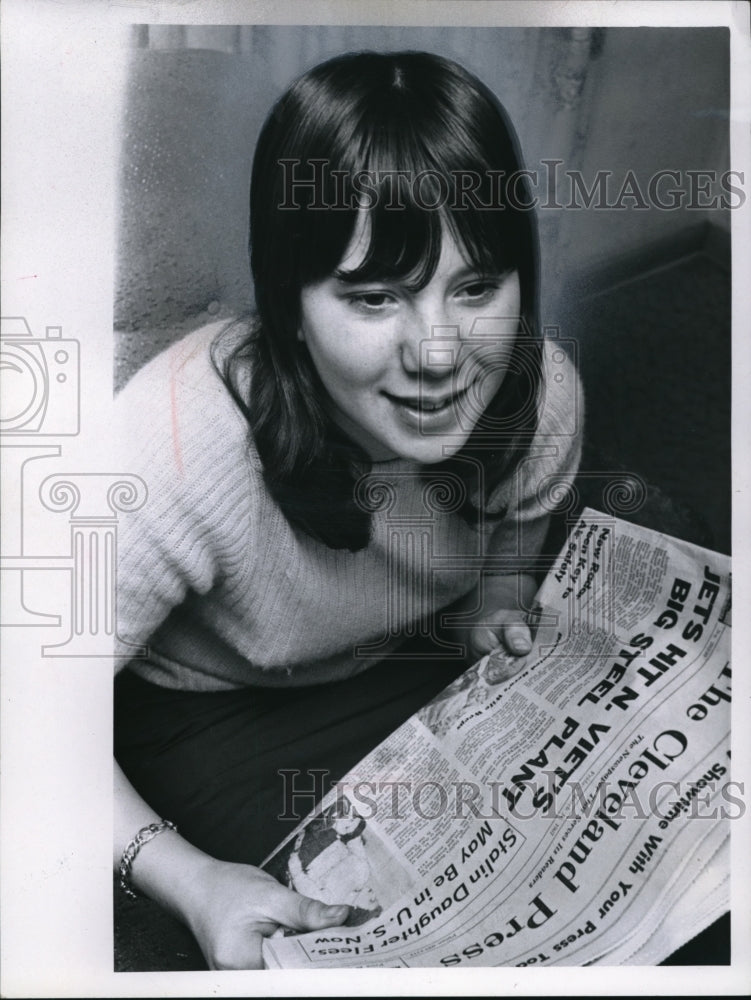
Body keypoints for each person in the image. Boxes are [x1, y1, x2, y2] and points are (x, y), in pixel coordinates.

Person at [113, 49, 582, 970]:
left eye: (477, 287)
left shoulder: (540, 389)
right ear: (288, 303)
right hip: (221, 710)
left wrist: (497, 598)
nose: (441, 354)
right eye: (375, 298)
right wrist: (183, 876)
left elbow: (523, 523)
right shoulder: (172, 443)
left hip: (407, 653)